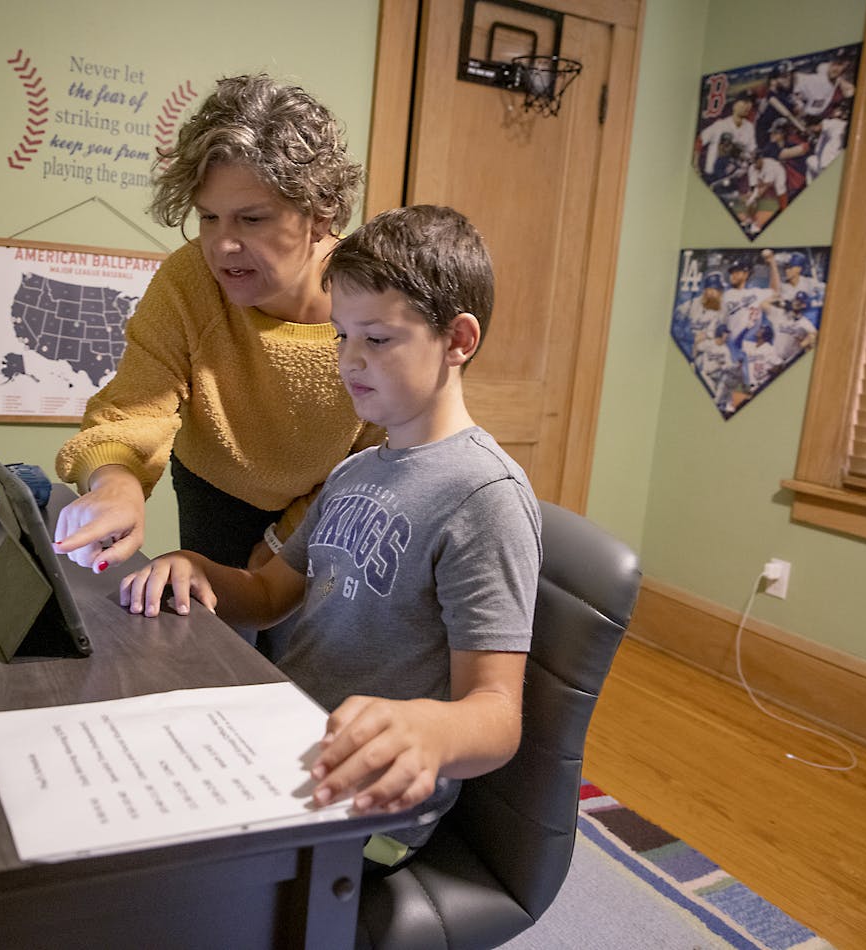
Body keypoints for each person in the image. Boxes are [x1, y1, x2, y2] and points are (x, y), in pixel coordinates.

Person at [119, 205, 539, 873]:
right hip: (289, 741)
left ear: (458, 339)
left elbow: (496, 715)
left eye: (377, 339)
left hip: (371, 800)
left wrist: (430, 728)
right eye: (342, 335)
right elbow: (265, 596)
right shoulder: (355, 472)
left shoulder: (484, 496)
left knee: (159, 869)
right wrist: (195, 568)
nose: (349, 361)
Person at [53, 74, 381, 579]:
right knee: (219, 636)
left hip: (332, 497)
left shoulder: (374, 297)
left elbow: (379, 452)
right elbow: (135, 407)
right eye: (209, 218)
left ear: (321, 214)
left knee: (304, 642)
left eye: (251, 220)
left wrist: (287, 536)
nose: (222, 247)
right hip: (215, 485)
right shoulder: (190, 278)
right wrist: (115, 483)